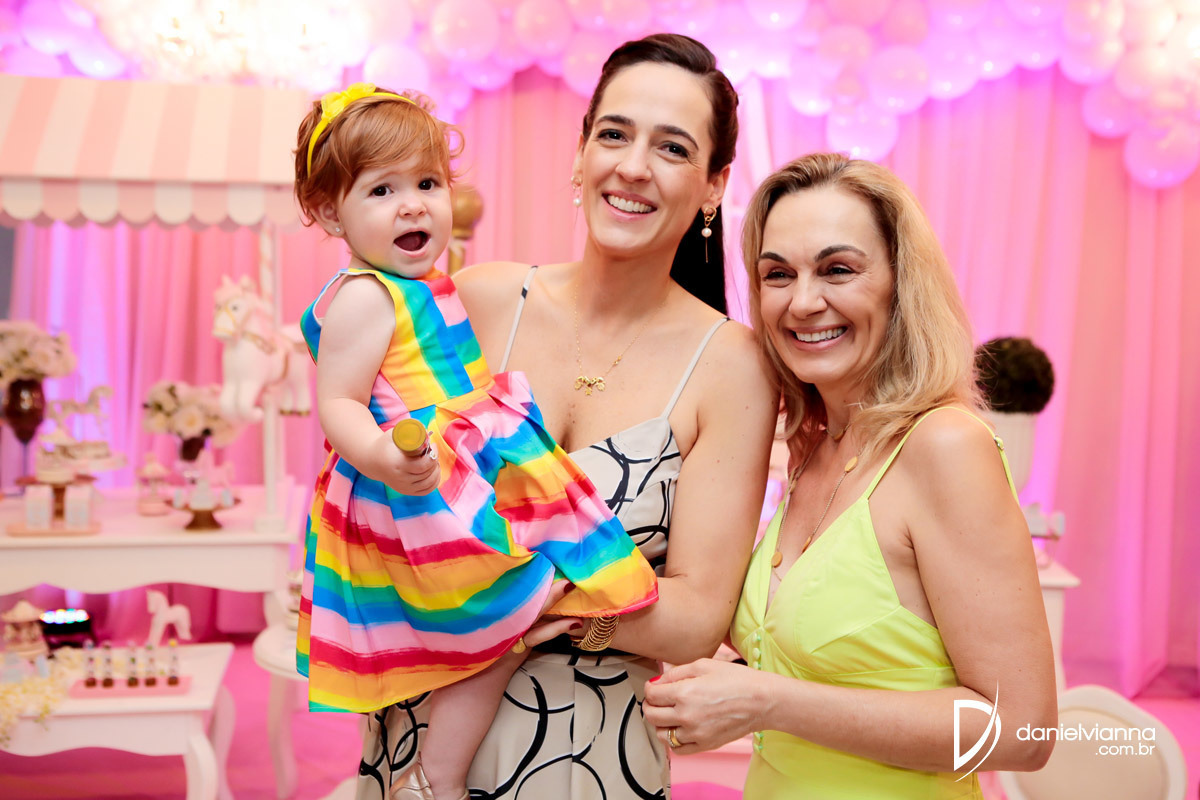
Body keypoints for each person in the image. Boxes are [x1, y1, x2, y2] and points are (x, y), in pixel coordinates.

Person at [357, 34, 778, 799]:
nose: (633, 166)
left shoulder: (732, 366)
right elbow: (380, 482)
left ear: (714, 185)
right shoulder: (479, 300)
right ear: (581, 154)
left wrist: (526, 603)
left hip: (590, 757)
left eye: (673, 148)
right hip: (416, 736)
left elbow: (696, 618)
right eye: (614, 134)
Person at [643, 153, 1059, 798]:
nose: (803, 302)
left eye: (838, 269)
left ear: (901, 284)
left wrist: (768, 701)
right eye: (778, 274)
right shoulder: (813, 448)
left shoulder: (945, 446)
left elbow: (1021, 731)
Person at [291, 83, 661, 800]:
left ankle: (433, 773)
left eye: (427, 184)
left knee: (497, 630)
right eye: (382, 190)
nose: (413, 205)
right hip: (415, 483)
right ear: (331, 212)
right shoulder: (366, 295)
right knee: (498, 618)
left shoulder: (425, 282)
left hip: (455, 455)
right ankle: (436, 777)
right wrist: (384, 457)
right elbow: (338, 403)